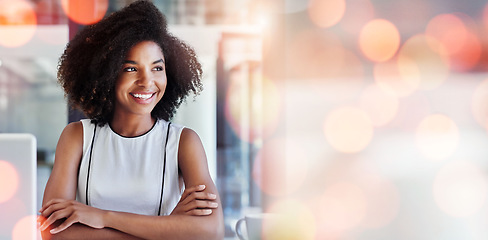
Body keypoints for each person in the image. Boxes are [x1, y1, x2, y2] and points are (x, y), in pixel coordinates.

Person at [38, 1, 224, 239]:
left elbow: (212, 231)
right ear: (108, 74)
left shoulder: (183, 142)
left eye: (157, 68)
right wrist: (167, 228)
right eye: (131, 69)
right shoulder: (77, 137)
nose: (147, 82)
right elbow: (52, 232)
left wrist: (102, 216)